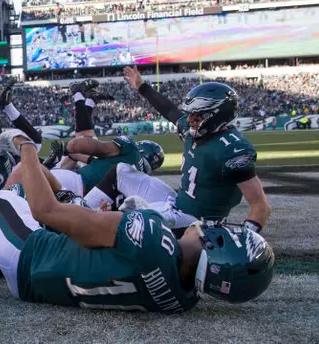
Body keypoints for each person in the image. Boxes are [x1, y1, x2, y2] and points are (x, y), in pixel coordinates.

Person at [0, 132, 276, 312]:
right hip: (39, 287)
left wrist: (25, 145)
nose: (216, 226)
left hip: (31, 255)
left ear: (213, 245)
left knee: (2, 196)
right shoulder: (182, 301)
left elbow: (44, 210)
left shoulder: (148, 234)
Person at [115, 67, 271, 234]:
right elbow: (169, 110)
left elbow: (260, 206)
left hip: (198, 223)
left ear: (216, 115)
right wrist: (141, 86)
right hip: (177, 204)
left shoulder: (232, 149)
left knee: (126, 222)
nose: (189, 119)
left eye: (196, 115)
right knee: (120, 171)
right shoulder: (194, 131)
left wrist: (246, 237)